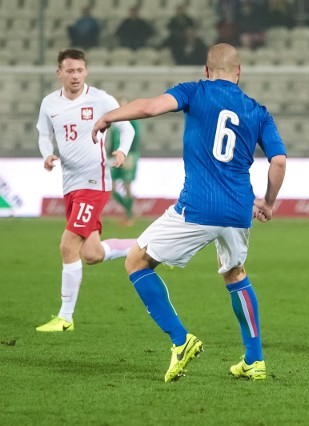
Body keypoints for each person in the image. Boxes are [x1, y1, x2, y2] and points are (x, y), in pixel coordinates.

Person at [91, 43, 287, 382]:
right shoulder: (258, 111)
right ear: (239, 72)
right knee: (235, 273)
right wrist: (268, 202)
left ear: (207, 70)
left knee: (136, 261)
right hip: (239, 210)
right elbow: (279, 161)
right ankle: (254, 360)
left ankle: (181, 341)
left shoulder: (194, 91)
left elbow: (151, 107)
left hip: (198, 206)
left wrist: (110, 116)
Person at [35, 49, 137, 332]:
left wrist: (121, 150)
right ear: (60, 73)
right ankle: (147, 245)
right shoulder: (49, 104)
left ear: (86, 71)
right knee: (91, 253)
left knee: (68, 245)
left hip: (94, 182)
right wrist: (47, 155)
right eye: (70, 71)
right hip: (70, 184)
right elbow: (44, 134)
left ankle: (65, 317)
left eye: (80, 70)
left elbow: (127, 128)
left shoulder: (101, 99)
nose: (75, 76)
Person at [107, 97, 140, 226]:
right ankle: (129, 209)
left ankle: (129, 216)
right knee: (112, 188)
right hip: (115, 156)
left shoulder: (133, 122)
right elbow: (112, 139)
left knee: (127, 186)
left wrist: (129, 155)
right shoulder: (116, 122)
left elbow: (135, 139)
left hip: (129, 155)